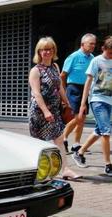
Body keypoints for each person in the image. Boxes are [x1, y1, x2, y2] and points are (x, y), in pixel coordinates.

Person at [28, 36, 80, 180]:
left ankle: (66, 169)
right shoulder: (35, 71)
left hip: (55, 110)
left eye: (50, 49)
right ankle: (38, 170)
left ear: (54, 50)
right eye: (44, 49)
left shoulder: (55, 67)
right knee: (39, 142)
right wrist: (45, 111)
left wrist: (67, 103)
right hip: (40, 111)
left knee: (59, 139)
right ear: (39, 52)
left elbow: (60, 88)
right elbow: (36, 94)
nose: (47, 52)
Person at [72, 36, 112, 176]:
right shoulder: (96, 61)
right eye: (109, 53)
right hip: (97, 99)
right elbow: (88, 82)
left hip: (110, 101)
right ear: (103, 49)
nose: (111, 56)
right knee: (106, 132)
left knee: (99, 130)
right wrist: (83, 103)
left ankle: (80, 152)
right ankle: (108, 165)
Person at [61, 33, 96, 153]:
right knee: (78, 117)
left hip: (85, 89)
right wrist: (63, 93)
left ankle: (76, 144)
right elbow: (63, 75)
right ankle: (63, 138)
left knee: (83, 118)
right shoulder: (73, 56)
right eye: (90, 43)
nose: (93, 46)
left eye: (94, 44)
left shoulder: (92, 58)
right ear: (82, 44)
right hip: (73, 88)